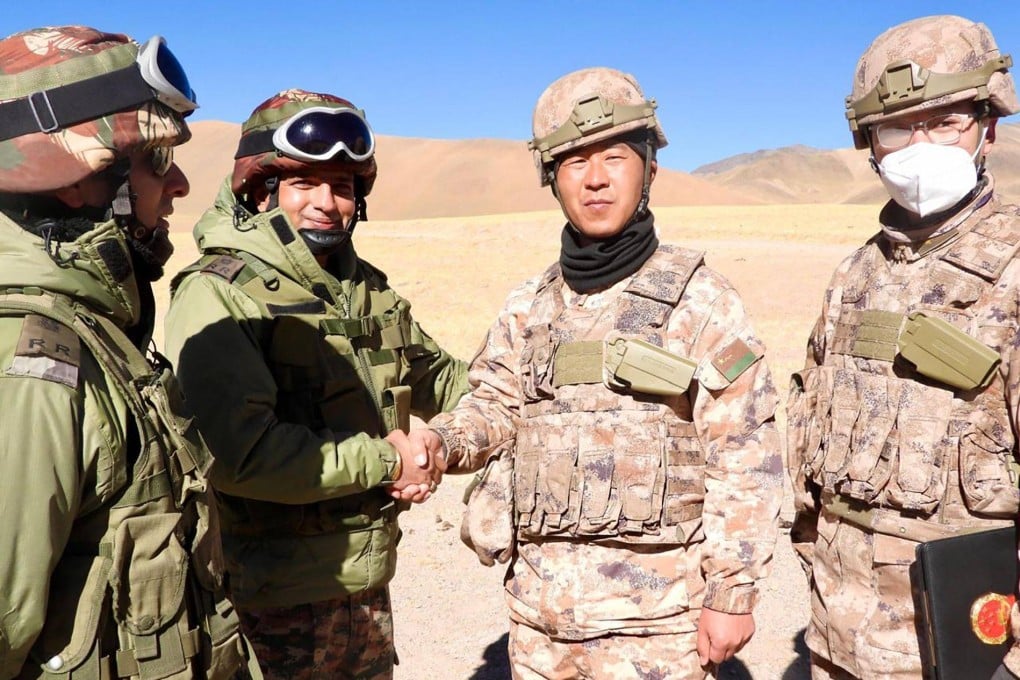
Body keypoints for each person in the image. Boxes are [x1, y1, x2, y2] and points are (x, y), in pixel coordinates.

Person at [415, 67, 783, 679]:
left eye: (615, 157)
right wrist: (441, 441)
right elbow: (495, 406)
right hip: (540, 622)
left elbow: (743, 452)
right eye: (573, 161)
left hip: (659, 630)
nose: (595, 178)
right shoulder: (529, 306)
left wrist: (732, 592)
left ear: (649, 168)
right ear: (551, 178)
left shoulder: (702, 302)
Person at [163, 89, 468, 680]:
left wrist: (511, 400)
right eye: (304, 183)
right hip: (266, 605)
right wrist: (388, 461)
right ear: (261, 190)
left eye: (343, 186)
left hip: (364, 591)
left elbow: (446, 379)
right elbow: (240, 455)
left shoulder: (366, 291)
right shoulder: (219, 293)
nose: (327, 204)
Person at [0, 26, 258, 679]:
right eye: (157, 160)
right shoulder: (33, 370)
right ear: (78, 178)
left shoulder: (95, 334)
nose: (180, 186)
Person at [786, 14, 1020, 680]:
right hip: (837, 641)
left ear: (987, 126)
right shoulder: (854, 276)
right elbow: (811, 448)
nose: (920, 146)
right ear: (870, 143)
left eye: (944, 122)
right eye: (897, 128)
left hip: (966, 652)